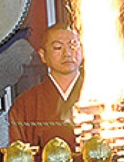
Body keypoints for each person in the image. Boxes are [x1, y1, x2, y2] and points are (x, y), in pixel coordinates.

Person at [8, 23, 84, 151]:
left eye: (73, 45)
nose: (68, 54)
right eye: (58, 47)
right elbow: (17, 154)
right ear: (43, 55)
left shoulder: (101, 96)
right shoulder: (26, 103)